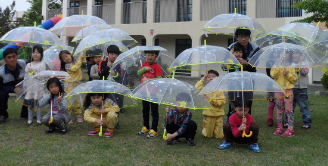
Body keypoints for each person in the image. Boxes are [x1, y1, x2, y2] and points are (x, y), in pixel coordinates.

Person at [270, 51, 298, 137]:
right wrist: (278, 67)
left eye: (286, 53)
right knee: (279, 109)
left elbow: (295, 79)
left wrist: (288, 75)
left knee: (289, 110)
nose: (284, 55)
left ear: (289, 55)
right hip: (278, 90)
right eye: (282, 53)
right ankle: (279, 127)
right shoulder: (276, 66)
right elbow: (273, 76)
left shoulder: (291, 67)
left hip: (288, 90)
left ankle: (290, 129)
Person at [137, 50, 163, 138]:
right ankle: (146, 126)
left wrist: (148, 80)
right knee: (145, 110)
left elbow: (159, 80)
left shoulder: (157, 66)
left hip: (153, 93)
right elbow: (138, 73)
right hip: (144, 91)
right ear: (145, 56)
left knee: (154, 112)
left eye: (152, 55)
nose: (149, 57)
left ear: (156, 56)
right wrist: (145, 69)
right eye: (148, 55)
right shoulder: (144, 64)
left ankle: (154, 129)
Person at [195, 70, 226, 138]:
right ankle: (205, 128)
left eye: (213, 77)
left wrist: (211, 100)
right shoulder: (205, 90)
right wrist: (203, 77)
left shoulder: (220, 90)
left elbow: (222, 102)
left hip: (219, 115)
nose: (211, 78)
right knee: (208, 135)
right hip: (208, 114)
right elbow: (196, 88)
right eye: (208, 77)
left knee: (219, 136)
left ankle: (218, 130)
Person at [0, 48, 26, 124]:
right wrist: (13, 90)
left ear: (17, 57)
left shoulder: (24, 64)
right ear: (5, 60)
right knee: (1, 94)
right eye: (9, 57)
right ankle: (2, 114)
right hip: (6, 86)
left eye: (14, 56)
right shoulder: (1, 72)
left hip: (21, 83)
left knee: (30, 90)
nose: (12, 59)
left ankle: (25, 114)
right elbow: (1, 86)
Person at [24, 45, 46, 126]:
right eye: (33, 52)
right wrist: (25, 87)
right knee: (30, 104)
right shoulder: (28, 65)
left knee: (39, 104)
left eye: (37, 52)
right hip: (30, 88)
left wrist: (34, 72)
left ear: (41, 54)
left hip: (38, 88)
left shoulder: (42, 64)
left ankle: (39, 120)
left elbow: (42, 76)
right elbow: (26, 77)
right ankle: (29, 120)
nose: (35, 54)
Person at [98, 45, 125, 113]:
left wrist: (115, 74)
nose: (114, 56)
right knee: (106, 102)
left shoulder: (119, 64)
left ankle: (116, 116)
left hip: (114, 87)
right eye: (112, 54)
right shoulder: (103, 62)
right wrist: (107, 67)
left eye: (116, 54)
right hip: (104, 86)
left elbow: (120, 76)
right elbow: (100, 74)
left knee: (115, 102)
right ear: (107, 54)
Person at [59, 50, 84, 123]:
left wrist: (83, 52)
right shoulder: (67, 66)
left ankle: (79, 115)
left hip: (77, 84)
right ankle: (68, 116)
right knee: (69, 100)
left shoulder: (76, 62)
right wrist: (80, 59)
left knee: (78, 100)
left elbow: (78, 69)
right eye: (63, 58)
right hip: (69, 85)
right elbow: (75, 68)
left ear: (70, 54)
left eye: (66, 56)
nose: (66, 59)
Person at [291, 51, 312, 129]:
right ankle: (289, 121)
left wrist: (300, 65)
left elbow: (305, 72)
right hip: (292, 88)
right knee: (290, 107)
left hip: (301, 88)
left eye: (297, 53)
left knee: (303, 106)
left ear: (301, 56)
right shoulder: (290, 64)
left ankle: (307, 122)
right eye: (293, 53)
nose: (294, 55)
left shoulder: (304, 64)